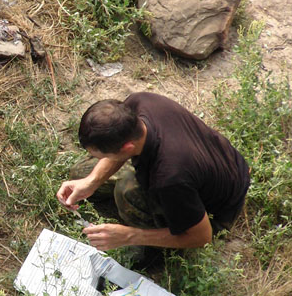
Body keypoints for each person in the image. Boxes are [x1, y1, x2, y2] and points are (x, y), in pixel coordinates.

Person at [57, 92, 250, 252]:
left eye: (100, 154)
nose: (98, 158)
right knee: (81, 172)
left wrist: (128, 236)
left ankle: (153, 252)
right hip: (206, 159)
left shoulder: (170, 179)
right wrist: (91, 181)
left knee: (126, 194)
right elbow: (120, 150)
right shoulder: (139, 103)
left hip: (218, 208)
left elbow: (201, 236)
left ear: (126, 148)